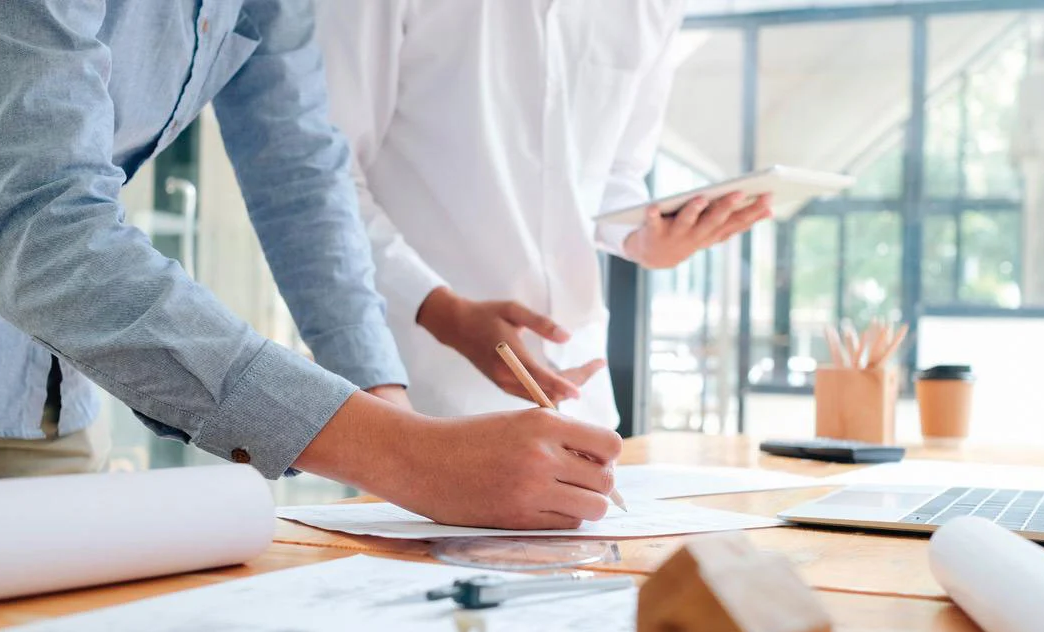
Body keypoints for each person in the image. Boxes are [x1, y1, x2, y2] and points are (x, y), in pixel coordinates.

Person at [0, 0, 620, 530]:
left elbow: (300, 172)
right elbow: (45, 228)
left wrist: (393, 414)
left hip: (48, 369)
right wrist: (406, 457)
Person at [317, 0, 772, 427]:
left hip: (582, 399)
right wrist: (441, 311)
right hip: (422, 394)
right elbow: (325, 179)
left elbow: (614, 173)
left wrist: (644, 238)